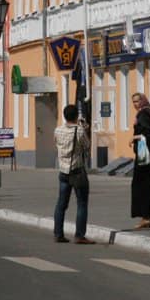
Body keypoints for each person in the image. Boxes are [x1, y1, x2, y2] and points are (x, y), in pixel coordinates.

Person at [53, 104, 94, 245]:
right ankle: (80, 235)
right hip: (77, 171)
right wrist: (84, 129)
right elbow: (87, 146)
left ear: (65, 116)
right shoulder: (79, 131)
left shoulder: (58, 130)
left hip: (63, 171)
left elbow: (57, 144)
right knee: (82, 203)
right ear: (76, 116)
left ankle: (58, 233)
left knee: (61, 204)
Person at [130, 92, 150, 229]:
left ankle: (146, 216)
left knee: (141, 184)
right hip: (147, 153)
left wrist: (134, 138)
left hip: (144, 155)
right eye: (134, 102)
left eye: (138, 101)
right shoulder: (147, 112)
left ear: (143, 101)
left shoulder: (143, 114)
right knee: (147, 182)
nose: (136, 104)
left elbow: (148, 133)